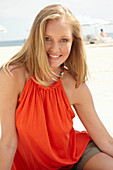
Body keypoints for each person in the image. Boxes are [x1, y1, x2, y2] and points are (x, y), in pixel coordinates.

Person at [0, 4, 113, 170]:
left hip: (75, 156)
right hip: (28, 164)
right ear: (35, 38)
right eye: (47, 39)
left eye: (64, 40)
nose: (54, 48)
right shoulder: (12, 76)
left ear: (73, 42)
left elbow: (105, 140)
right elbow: (8, 142)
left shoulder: (75, 84)